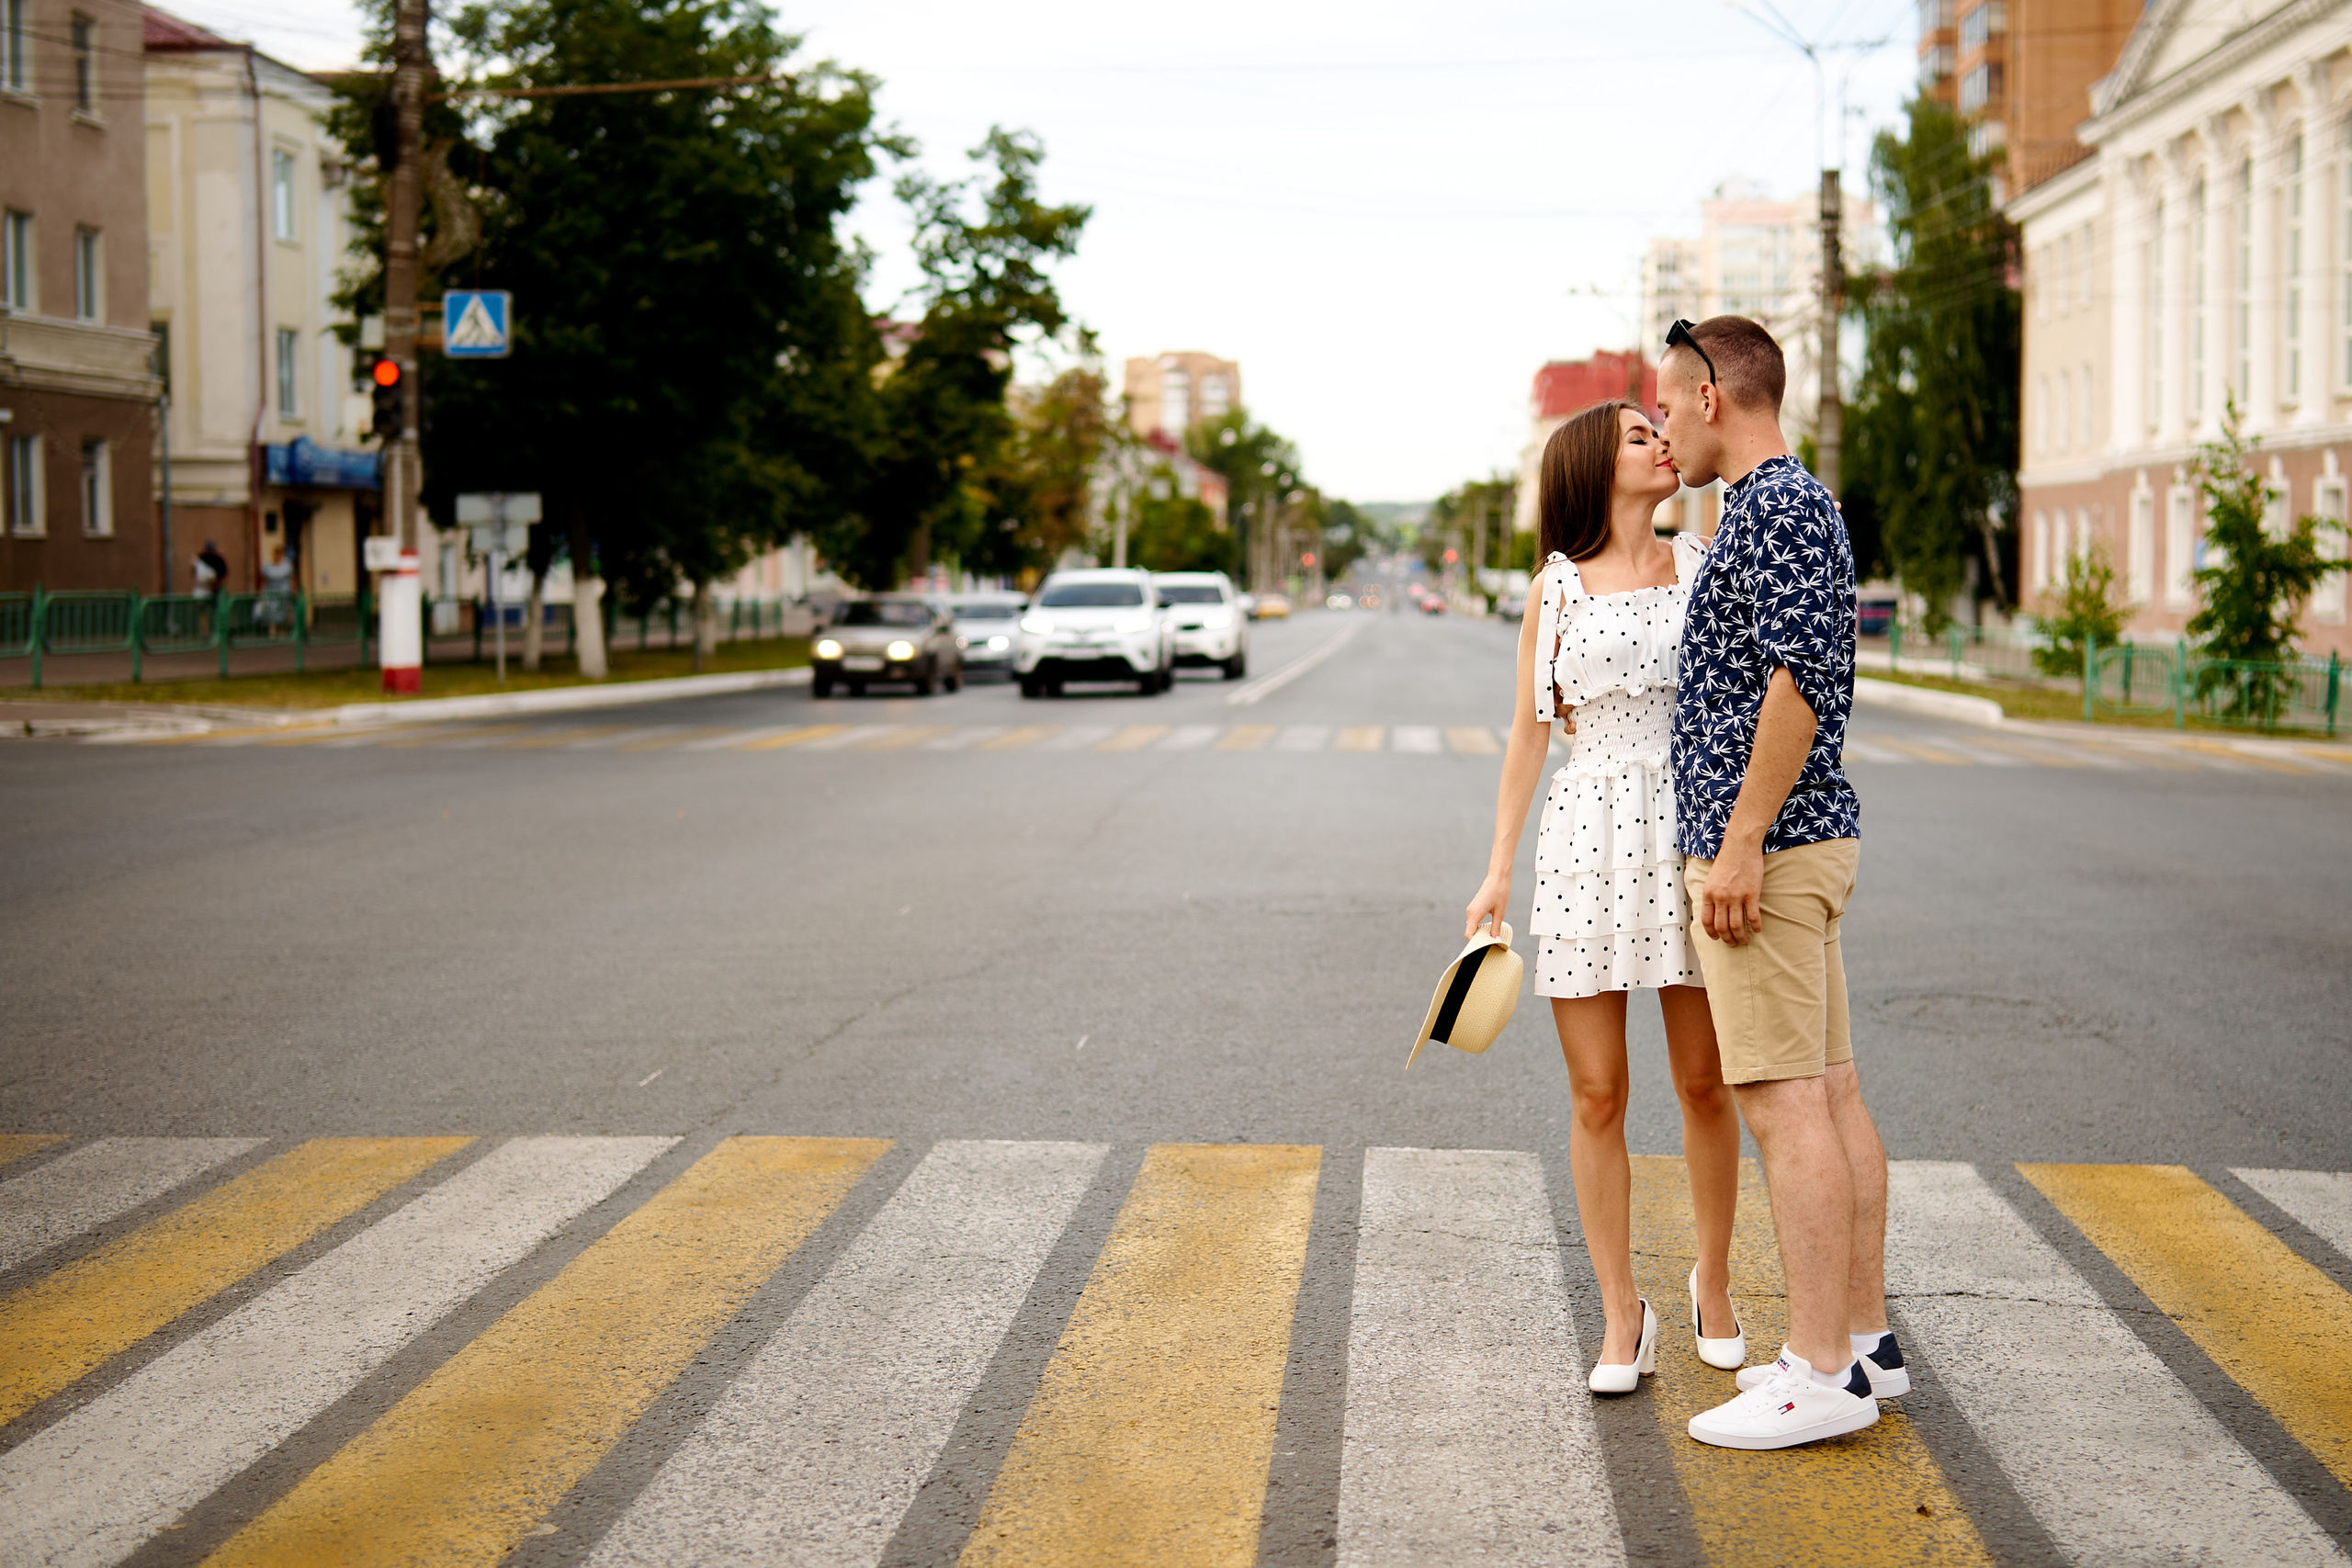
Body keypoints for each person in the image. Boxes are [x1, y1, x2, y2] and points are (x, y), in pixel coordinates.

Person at [1464, 400, 1747, 1395]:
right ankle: (1621, 1312)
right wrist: (1496, 869)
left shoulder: (1704, 565)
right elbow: (1526, 736)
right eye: (1639, 436)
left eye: (1660, 431)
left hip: (1689, 832)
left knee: (1706, 1081)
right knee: (1596, 1094)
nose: (1663, 442)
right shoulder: (1555, 589)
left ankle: (1713, 1280)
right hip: (1585, 840)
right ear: (1593, 464)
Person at [1655, 314, 1902, 1451]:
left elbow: (1800, 681)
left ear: (1713, 394)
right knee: (1831, 1090)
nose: (1662, 421)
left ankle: (1816, 1370)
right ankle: (1860, 1342)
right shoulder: (1765, 510)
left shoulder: (1779, 505)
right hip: (1792, 844)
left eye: (1667, 400)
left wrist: (1741, 841)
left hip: (1772, 852)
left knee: (1785, 1103)